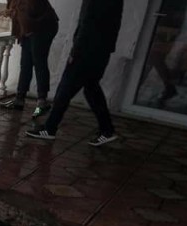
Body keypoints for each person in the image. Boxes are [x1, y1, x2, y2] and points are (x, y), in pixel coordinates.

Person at [26, 0, 124, 147]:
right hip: (102, 50)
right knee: (91, 89)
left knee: (65, 89)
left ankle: (50, 128)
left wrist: (76, 50)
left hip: (87, 50)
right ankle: (107, 130)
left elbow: (88, 23)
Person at [0, 0, 59, 118]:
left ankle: (42, 102)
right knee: (25, 64)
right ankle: (19, 99)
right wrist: (12, 12)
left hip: (42, 28)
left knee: (39, 63)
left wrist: (12, 12)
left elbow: (30, 9)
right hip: (29, 28)